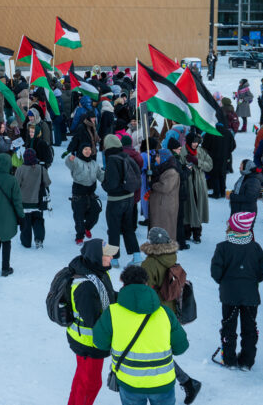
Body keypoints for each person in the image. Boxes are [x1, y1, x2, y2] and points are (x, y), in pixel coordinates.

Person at [90, 264, 190, 405]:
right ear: (146, 283)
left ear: (123, 283)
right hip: (162, 382)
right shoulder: (165, 313)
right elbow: (181, 347)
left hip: (129, 382)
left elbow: (100, 343)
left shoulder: (112, 313)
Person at [139, 227, 202, 402]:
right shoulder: (171, 257)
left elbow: (144, 293)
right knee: (160, 353)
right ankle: (188, 382)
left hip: (155, 314)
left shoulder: (149, 264)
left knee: (158, 354)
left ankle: (188, 382)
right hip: (171, 312)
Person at [211, 212, 263, 370]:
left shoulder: (222, 247)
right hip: (250, 296)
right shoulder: (255, 247)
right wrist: (251, 281)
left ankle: (229, 359)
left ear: (232, 228)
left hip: (229, 295)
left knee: (229, 326)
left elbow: (216, 272)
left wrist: (225, 282)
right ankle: (247, 361)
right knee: (250, 328)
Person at [65, 239, 119, 405]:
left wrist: (129, 295)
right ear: (96, 256)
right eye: (107, 254)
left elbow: (109, 297)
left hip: (87, 341)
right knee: (91, 384)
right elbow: (95, 321)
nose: (111, 257)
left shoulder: (99, 273)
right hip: (88, 343)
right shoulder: (86, 286)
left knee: (82, 379)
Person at [102, 134, 142, 266]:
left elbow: (111, 184)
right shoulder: (126, 156)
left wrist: (103, 182)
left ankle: (113, 259)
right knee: (128, 228)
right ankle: (137, 256)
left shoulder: (112, 160)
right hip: (129, 199)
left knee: (113, 229)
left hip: (116, 200)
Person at [0, 153, 23, 277]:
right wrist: (21, 216)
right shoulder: (12, 180)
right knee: (6, 240)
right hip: (8, 216)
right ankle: (5, 267)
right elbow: (17, 201)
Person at [66, 142, 103, 245]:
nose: (88, 151)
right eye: (85, 149)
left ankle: (87, 228)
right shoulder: (77, 161)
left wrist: (108, 179)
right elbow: (69, 163)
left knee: (96, 211)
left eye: (89, 149)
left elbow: (101, 175)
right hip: (79, 194)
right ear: (81, 151)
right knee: (79, 216)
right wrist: (70, 159)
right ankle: (80, 236)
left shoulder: (94, 164)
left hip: (90, 193)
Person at [16, 148, 51, 249]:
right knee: (38, 221)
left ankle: (26, 243)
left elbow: (16, 185)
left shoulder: (20, 169)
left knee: (25, 224)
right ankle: (39, 239)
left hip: (24, 202)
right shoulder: (41, 168)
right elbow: (48, 182)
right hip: (38, 202)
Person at [181, 133, 211, 244]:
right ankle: (186, 233)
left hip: (199, 184)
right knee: (187, 208)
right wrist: (184, 165)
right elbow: (178, 165)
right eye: (193, 142)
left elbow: (209, 165)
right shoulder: (183, 150)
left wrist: (197, 162)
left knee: (198, 208)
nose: (195, 144)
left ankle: (197, 234)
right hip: (187, 183)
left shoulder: (201, 151)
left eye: (197, 142)